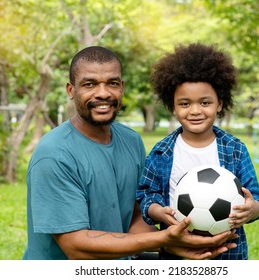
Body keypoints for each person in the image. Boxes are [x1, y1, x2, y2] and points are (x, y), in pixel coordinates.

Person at [23, 45, 238, 260]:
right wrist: (164, 240)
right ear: (71, 90)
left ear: (122, 88)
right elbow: (76, 247)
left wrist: (179, 245)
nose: (103, 93)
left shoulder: (131, 140)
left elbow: (135, 218)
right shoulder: (54, 155)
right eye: (89, 84)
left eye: (112, 83)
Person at [136, 43, 259, 260]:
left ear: (219, 104)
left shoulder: (234, 149)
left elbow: (256, 200)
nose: (195, 111)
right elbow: (146, 195)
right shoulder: (162, 152)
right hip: (176, 252)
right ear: (173, 107)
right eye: (185, 104)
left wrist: (251, 209)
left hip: (228, 253)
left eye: (205, 102)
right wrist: (159, 212)